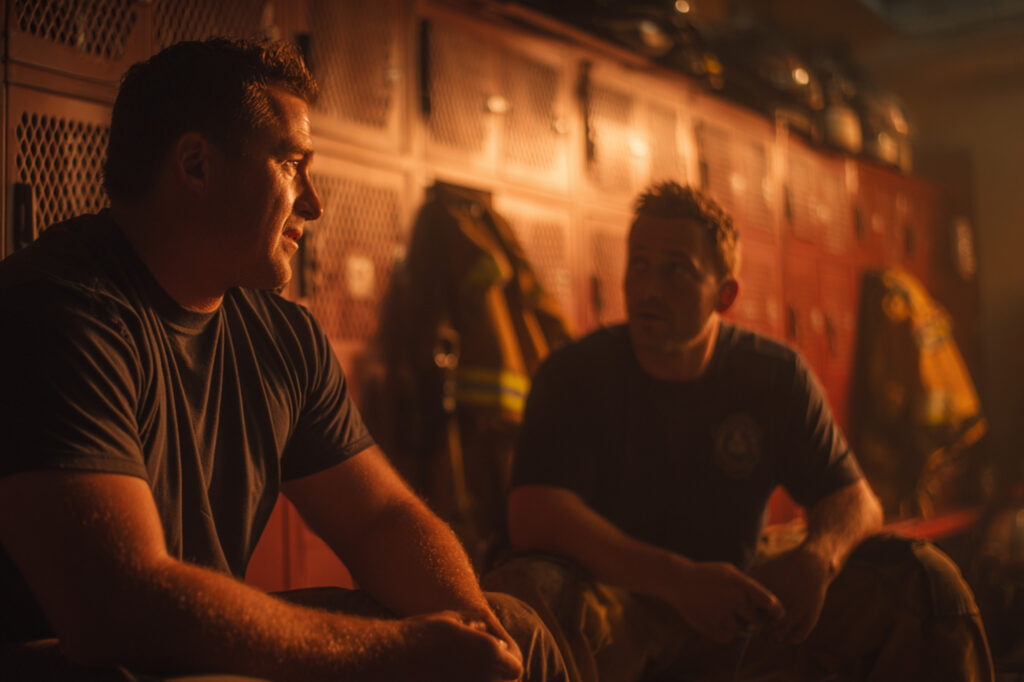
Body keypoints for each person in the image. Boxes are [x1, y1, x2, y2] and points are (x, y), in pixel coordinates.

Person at [0, 38, 567, 682]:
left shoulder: (282, 336)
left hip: (181, 641)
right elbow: (114, 608)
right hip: (68, 657)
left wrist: (469, 629)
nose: (314, 202)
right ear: (195, 165)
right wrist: (405, 653)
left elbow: (380, 518)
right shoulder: (54, 314)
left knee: (514, 629)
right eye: (292, 163)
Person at [484, 182, 994, 682]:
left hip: (739, 596)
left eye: (676, 271)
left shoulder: (773, 374)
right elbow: (533, 513)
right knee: (525, 594)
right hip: (615, 598)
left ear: (724, 295)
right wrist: (678, 580)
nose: (648, 288)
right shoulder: (575, 372)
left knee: (922, 579)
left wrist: (819, 558)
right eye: (639, 264)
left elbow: (856, 499)